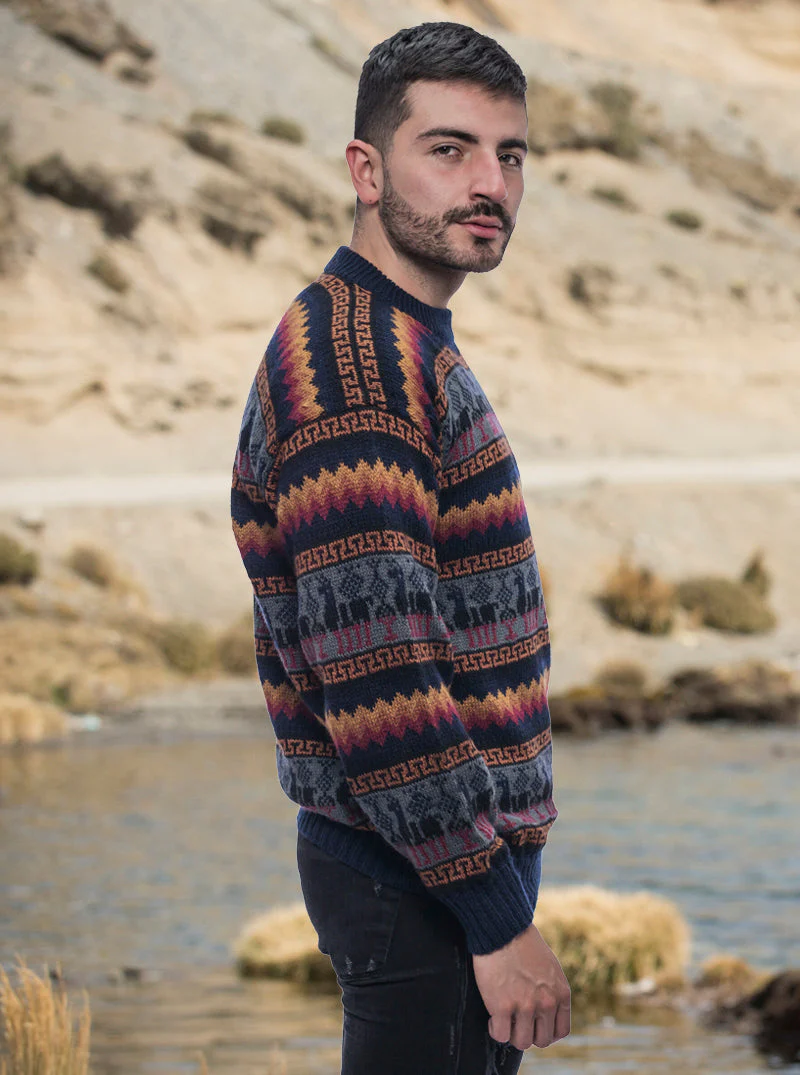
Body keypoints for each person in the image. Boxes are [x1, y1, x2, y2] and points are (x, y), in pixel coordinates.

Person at [231, 20, 570, 1075]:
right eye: (449, 149)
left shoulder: (394, 338)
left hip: (419, 873)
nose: (489, 183)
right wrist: (496, 920)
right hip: (415, 884)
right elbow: (380, 677)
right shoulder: (359, 368)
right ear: (366, 170)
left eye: (509, 155)